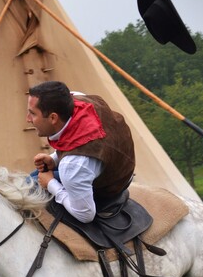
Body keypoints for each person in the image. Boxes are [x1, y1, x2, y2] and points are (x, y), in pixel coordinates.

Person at [27, 81, 135, 223]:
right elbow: (76, 138)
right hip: (115, 163)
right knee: (31, 178)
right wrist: (55, 159)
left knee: (32, 186)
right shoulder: (77, 98)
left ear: (53, 118)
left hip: (110, 185)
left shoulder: (72, 167)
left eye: (32, 114)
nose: (28, 119)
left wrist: (51, 184)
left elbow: (85, 215)